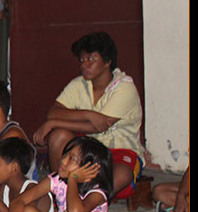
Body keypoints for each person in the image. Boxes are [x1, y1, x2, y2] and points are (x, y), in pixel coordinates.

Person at [32, 32, 143, 196]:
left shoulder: (124, 87)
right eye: (82, 60)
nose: (84, 65)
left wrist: (55, 122)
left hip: (121, 150)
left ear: (107, 61)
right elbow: (54, 112)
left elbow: (99, 126)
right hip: (88, 151)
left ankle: (86, 200)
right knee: (58, 136)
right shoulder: (79, 84)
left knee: (122, 175)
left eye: (91, 59)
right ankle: (60, 194)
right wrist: (88, 114)